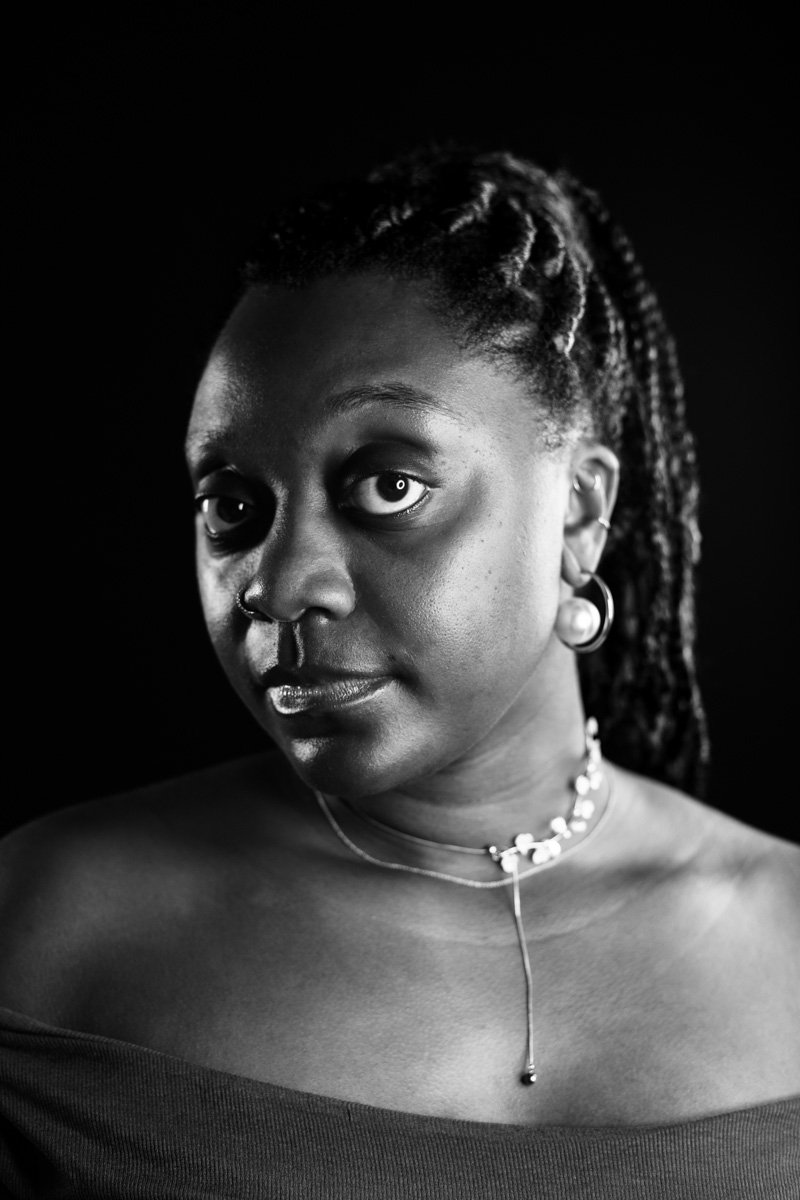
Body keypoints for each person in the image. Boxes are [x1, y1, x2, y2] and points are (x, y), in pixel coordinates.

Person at [1, 146, 797, 1199]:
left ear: (578, 514)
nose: (277, 585)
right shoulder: (46, 928)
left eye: (387, 486)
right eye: (232, 506)